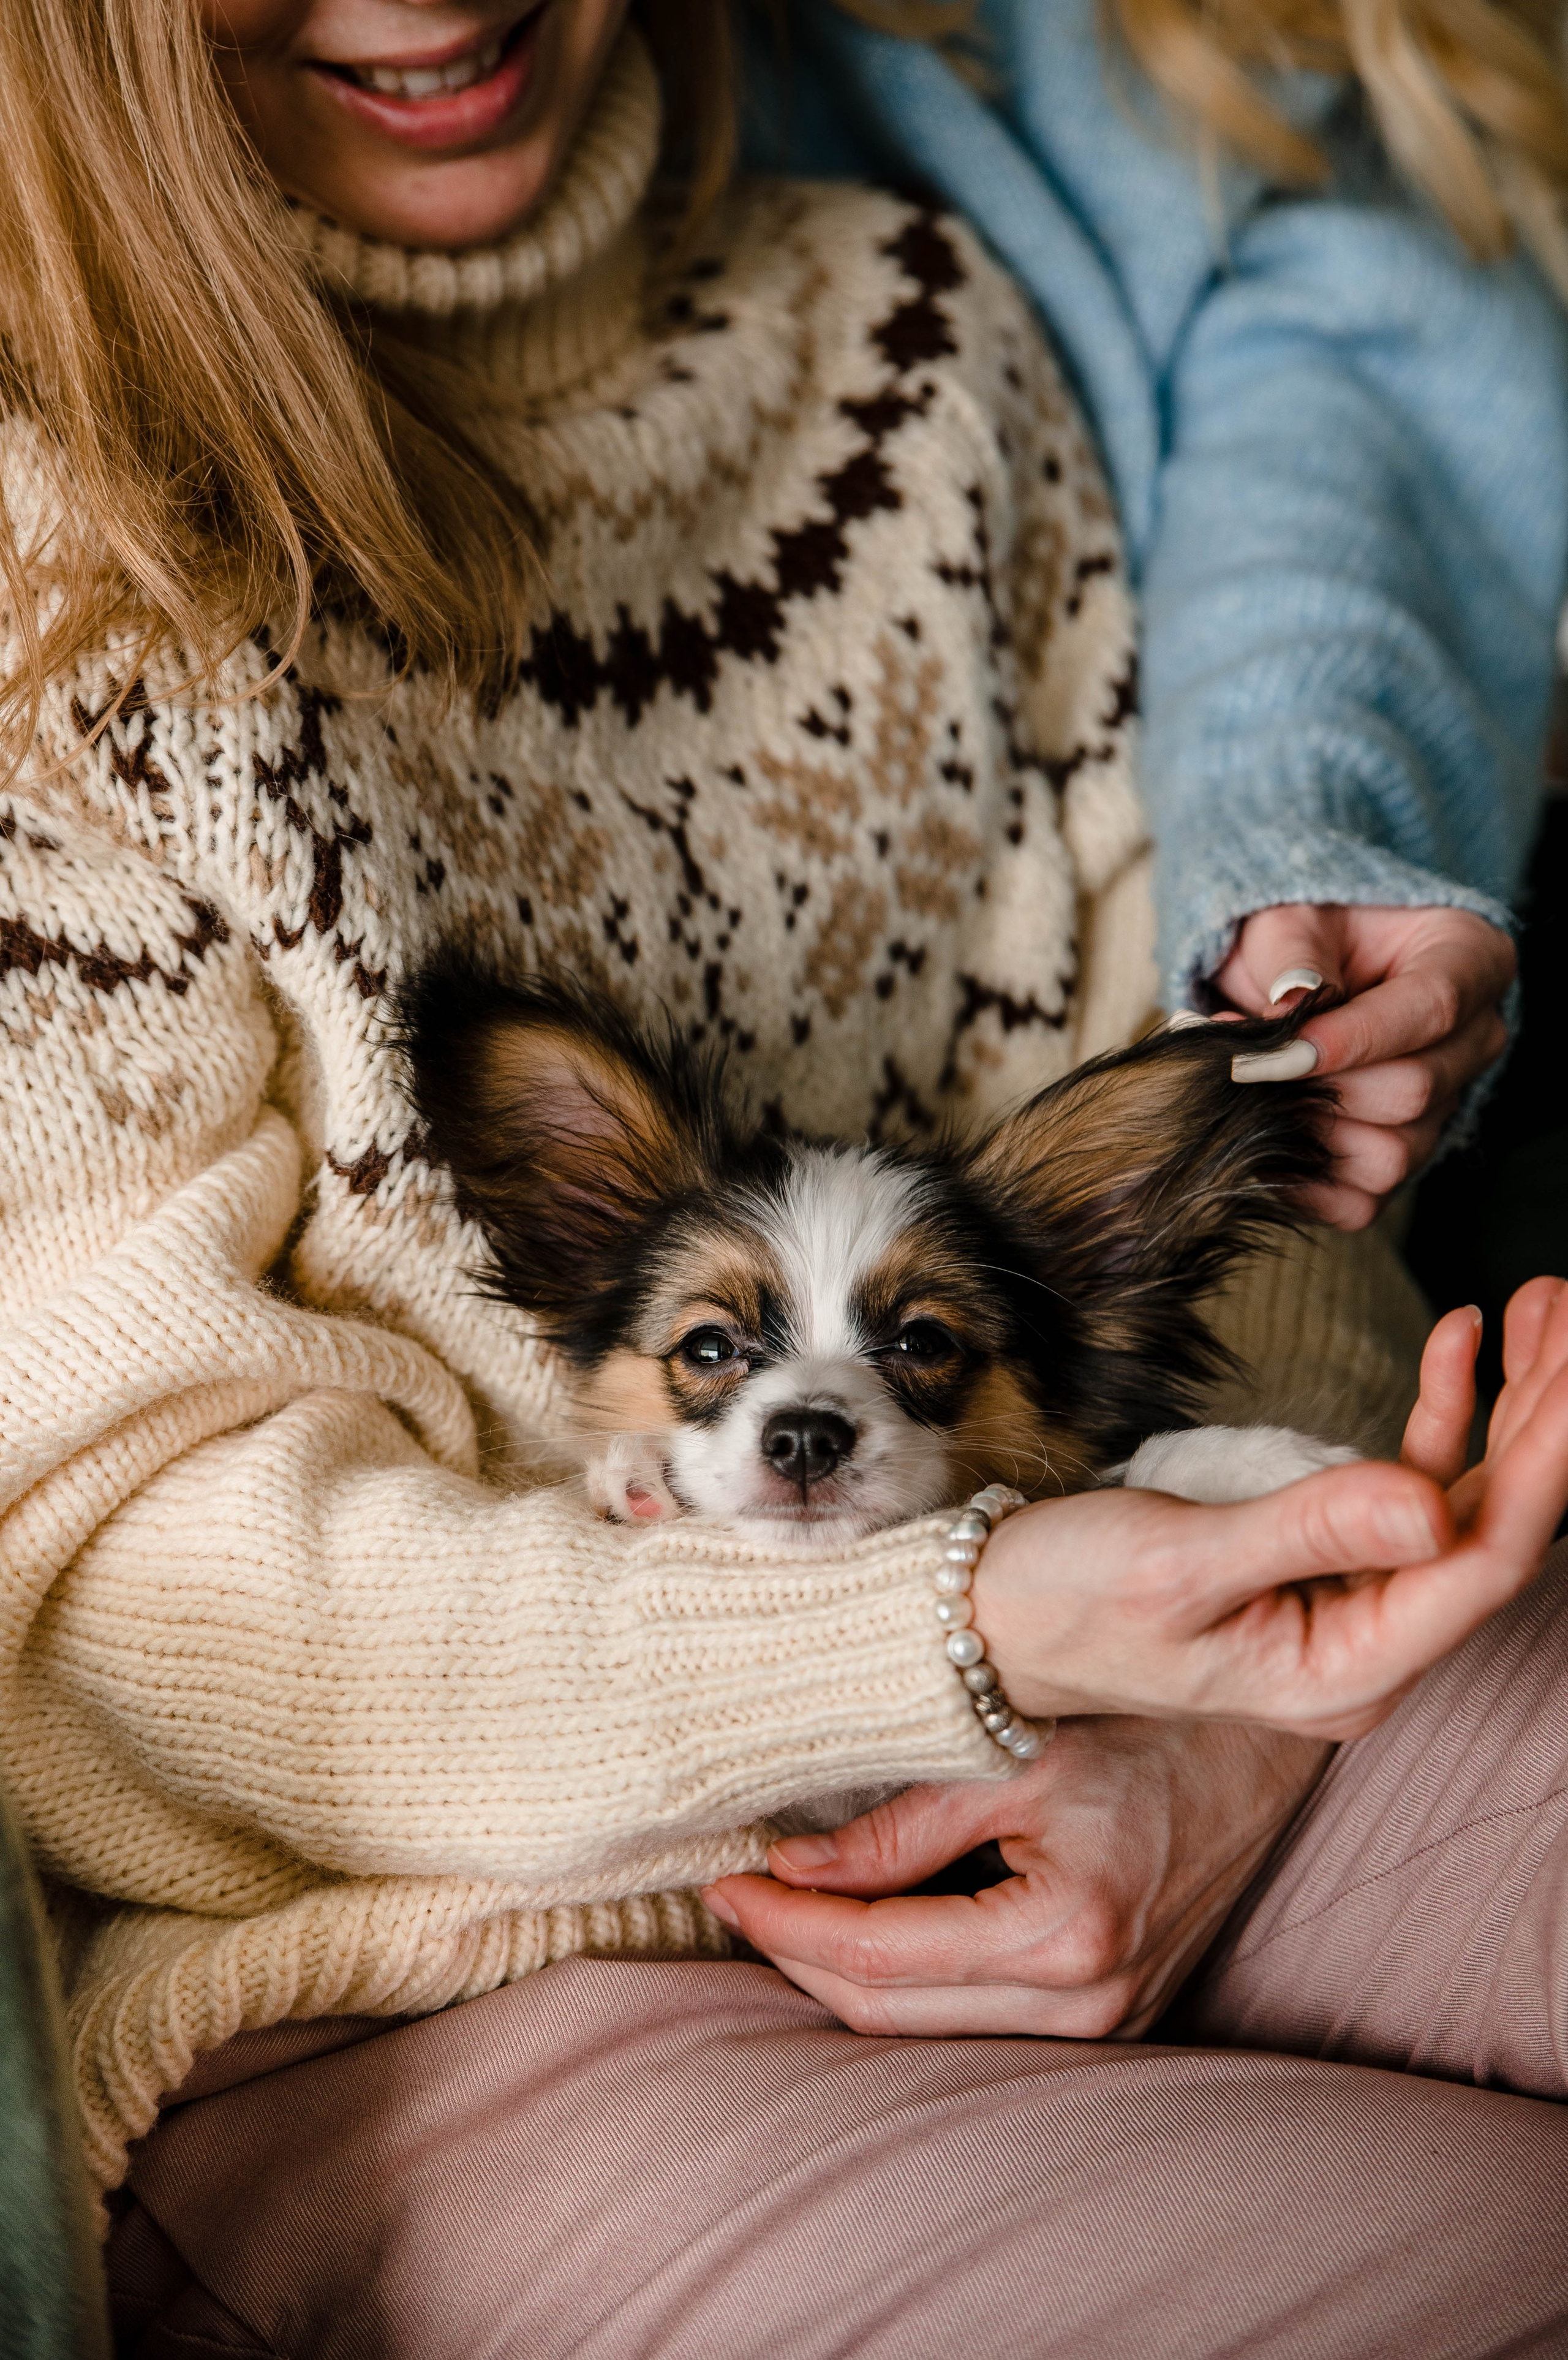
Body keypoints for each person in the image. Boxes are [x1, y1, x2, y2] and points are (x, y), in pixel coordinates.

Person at [0, 0, 1564, 2352]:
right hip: (441, 1987)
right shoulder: (44, 567)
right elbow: (115, 1624)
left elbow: (1228, 1205)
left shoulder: (929, 347)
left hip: (1170, 1735)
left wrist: (1233, 1709)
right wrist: (963, 1627)